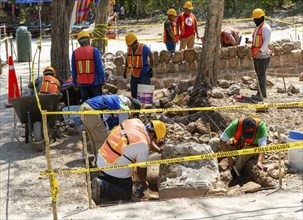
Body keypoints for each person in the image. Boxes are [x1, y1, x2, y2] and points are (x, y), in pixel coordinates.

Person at [91, 119, 166, 204]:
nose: (153, 142)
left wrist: (158, 150)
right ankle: (102, 186)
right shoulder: (143, 146)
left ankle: (101, 179)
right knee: (126, 193)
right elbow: (141, 172)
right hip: (111, 166)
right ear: (152, 135)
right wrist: (145, 186)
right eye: (154, 140)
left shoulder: (136, 122)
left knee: (122, 179)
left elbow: (148, 140)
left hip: (102, 156)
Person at [79, 95, 142, 162]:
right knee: (103, 141)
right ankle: (102, 166)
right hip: (91, 111)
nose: (132, 115)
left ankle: (97, 161)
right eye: (134, 113)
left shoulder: (120, 99)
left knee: (94, 139)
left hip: (84, 108)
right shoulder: (124, 107)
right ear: (132, 108)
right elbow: (121, 128)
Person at [71, 31, 106, 103]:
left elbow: (74, 70)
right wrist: (103, 80)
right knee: (97, 103)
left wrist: (74, 82)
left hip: (82, 83)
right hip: (95, 82)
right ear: (88, 40)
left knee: (86, 105)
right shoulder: (94, 51)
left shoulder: (75, 53)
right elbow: (100, 68)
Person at [123, 32, 153, 99]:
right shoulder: (130, 49)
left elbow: (151, 57)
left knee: (145, 94)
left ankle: (146, 107)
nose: (129, 47)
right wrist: (125, 70)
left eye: (130, 45)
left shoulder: (144, 47)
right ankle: (136, 106)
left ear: (135, 42)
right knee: (134, 93)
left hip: (144, 73)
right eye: (128, 45)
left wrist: (151, 69)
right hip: (134, 74)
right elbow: (128, 59)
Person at [251, 8, 271, 101]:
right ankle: (261, 93)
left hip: (263, 56)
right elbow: (257, 41)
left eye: (257, 19)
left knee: (261, 75)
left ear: (262, 17)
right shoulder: (258, 27)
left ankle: (261, 94)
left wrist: (260, 52)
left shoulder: (266, 28)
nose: (255, 20)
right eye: (254, 19)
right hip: (257, 55)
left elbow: (266, 41)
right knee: (259, 75)